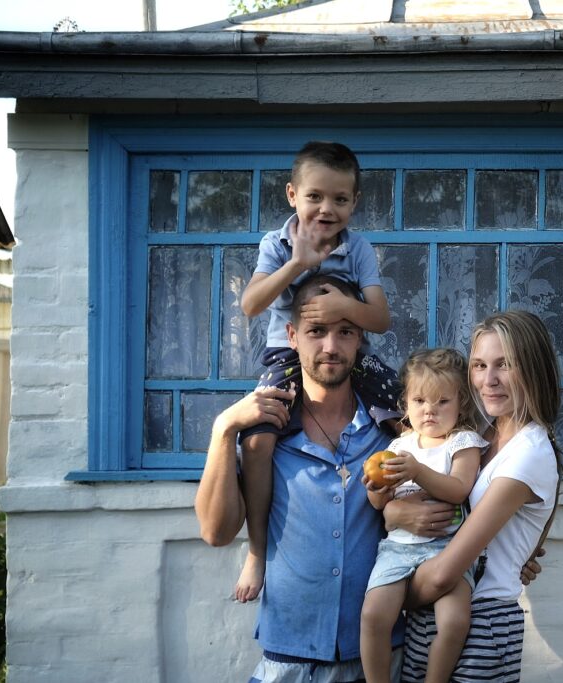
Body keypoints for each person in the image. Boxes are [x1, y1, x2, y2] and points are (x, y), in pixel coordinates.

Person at [195, 274, 405, 683]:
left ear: (360, 338)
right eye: (316, 332)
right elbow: (216, 532)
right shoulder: (265, 435)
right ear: (292, 336)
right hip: (289, 663)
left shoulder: (391, 429)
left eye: (345, 332)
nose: (330, 346)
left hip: (382, 661)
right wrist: (223, 428)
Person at [234, 141, 400, 603]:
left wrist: (345, 306)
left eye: (340, 199)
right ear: (292, 195)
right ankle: (257, 550)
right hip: (288, 357)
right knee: (259, 439)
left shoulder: (359, 247)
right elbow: (251, 304)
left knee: (405, 415)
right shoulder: (276, 243)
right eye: (315, 196)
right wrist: (297, 264)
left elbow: (381, 319)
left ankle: (415, 524)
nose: (327, 209)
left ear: (354, 202)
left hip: (350, 351)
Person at [385, 310, 563, 683]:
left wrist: (382, 595)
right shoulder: (479, 437)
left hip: (481, 621)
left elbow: (445, 573)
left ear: (532, 368)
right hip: (435, 614)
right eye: (479, 365)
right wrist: (395, 515)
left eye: (505, 365)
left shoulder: (528, 452)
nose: (488, 380)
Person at [360, 349, 488, 683]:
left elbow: (459, 489)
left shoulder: (463, 443)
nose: (429, 410)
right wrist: (374, 486)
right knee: (374, 616)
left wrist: (416, 471)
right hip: (398, 549)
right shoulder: (400, 446)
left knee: (456, 622)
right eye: (419, 400)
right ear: (406, 404)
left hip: (448, 549)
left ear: (461, 404)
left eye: (442, 401)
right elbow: (378, 504)